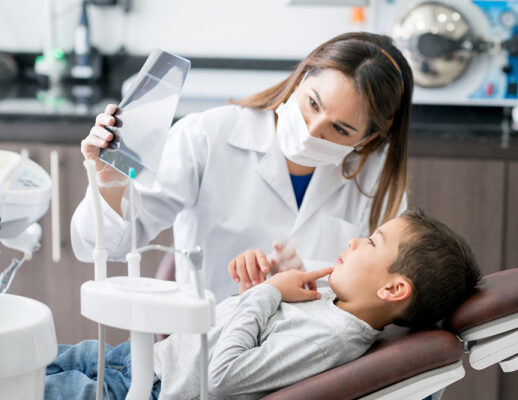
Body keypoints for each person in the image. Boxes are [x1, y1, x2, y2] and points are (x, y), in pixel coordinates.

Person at [71, 32, 414, 302]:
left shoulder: (376, 181)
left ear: (367, 140)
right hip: (211, 350)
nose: (313, 130)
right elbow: (104, 247)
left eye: (340, 129)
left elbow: (382, 294)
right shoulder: (207, 135)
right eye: (312, 103)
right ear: (301, 77)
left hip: (313, 356)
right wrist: (110, 183)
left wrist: (313, 279)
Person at [46, 208, 482, 399]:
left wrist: (267, 292)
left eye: (371, 242)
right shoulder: (333, 301)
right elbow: (245, 336)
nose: (354, 240)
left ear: (392, 290)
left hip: (145, 389)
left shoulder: (330, 339)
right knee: (16, 357)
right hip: (137, 361)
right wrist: (251, 288)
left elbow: (223, 376)